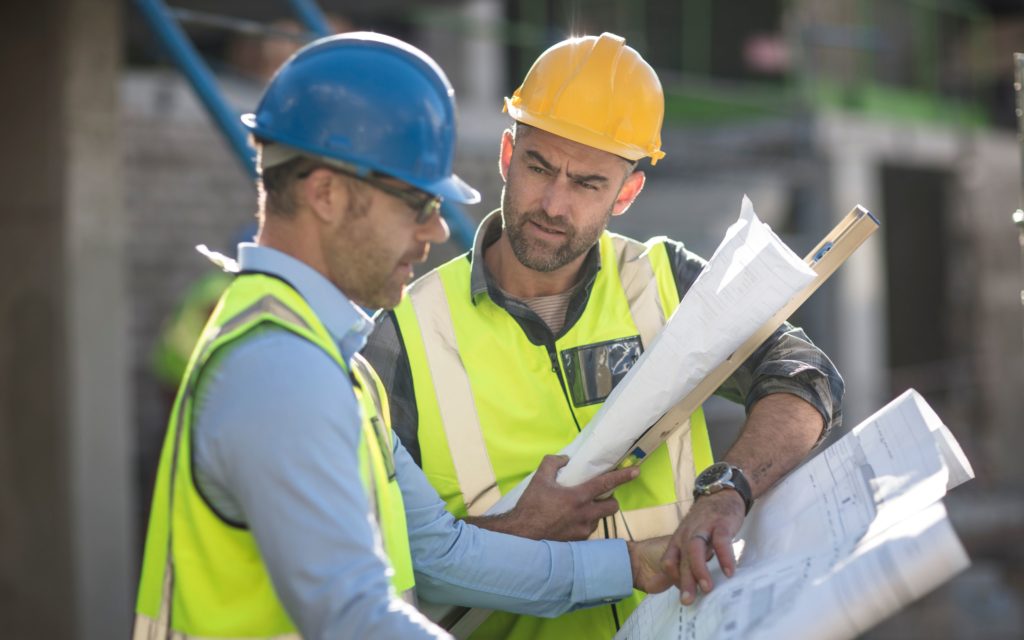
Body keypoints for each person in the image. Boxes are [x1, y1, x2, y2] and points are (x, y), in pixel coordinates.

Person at [133, 32, 673, 640]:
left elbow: (440, 554)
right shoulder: (282, 372)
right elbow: (355, 618)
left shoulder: (334, 363)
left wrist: (629, 565)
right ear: (327, 194)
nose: (437, 229)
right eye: (418, 202)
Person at [363, 32, 845, 639]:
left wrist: (729, 490)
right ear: (508, 155)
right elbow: (389, 572)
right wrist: (523, 527)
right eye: (539, 167)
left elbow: (806, 375)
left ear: (627, 192)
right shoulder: (401, 335)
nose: (554, 204)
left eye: (587, 183)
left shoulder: (667, 281)